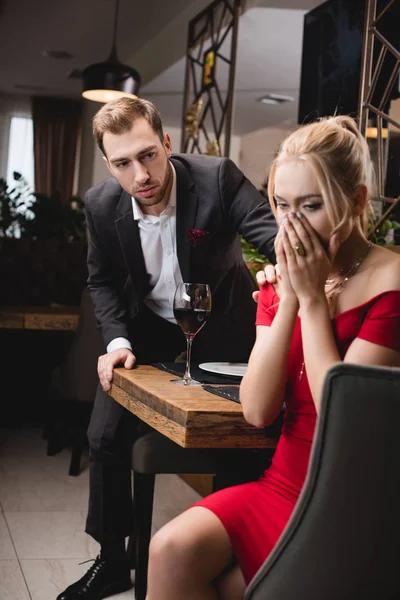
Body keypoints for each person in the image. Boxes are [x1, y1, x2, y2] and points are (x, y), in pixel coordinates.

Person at [145, 115, 400, 600]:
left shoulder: (392, 282)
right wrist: (288, 300)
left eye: (312, 205)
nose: (292, 223)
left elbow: (346, 423)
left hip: (348, 503)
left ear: (357, 202)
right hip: (282, 484)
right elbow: (258, 410)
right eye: (281, 205)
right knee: (170, 551)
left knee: (239, 587)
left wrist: (312, 303)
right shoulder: (277, 286)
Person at [57, 97, 278, 600]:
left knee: (240, 440)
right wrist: (115, 340)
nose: (141, 174)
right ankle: (113, 560)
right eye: (123, 163)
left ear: (167, 144)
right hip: (148, 333)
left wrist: (296, 264)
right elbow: (102, 281)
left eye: (148, 155)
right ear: (109, 165)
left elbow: (269, 230)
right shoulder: (100, 205)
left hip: (225, 326)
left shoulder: (217, 177)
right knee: (105, 434)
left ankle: (223, 558)